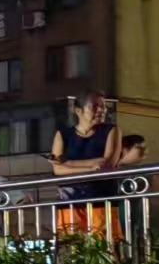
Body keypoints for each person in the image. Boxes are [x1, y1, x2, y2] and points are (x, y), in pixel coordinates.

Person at [51, 90, 121, 219]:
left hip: (102, 201)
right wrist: (91, 169)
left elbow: (106, 163)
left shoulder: (111, 130)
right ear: (78, 111)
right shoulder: (63, 134)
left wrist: (68, 163)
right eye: (95, 106)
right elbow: (58, 170)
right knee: (71, 233)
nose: (101, 110)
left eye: (103, 106)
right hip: (69, 202)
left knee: (103, 232)